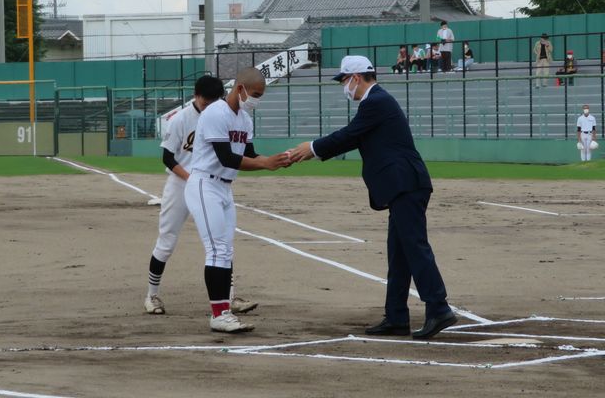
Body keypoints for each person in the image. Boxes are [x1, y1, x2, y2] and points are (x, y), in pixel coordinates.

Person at [289, 55, 457, 340]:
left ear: (356, 77)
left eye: (344, 80)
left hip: (406, 184)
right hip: (401, 186)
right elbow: (354, 137)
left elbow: (349, 135)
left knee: (414, 248)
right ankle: (396, 316)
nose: (344, 86)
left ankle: (438, 308)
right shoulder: (375, 103)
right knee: (399, 253)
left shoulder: (376, 101)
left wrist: (313, 147)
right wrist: (314, 150)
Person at [184, 67, 291, 333]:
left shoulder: (244, 119)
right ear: (240, 88)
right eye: (255, 94)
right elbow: (227, 158)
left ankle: (224, 311)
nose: (256, 99)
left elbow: (251, 154)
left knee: (226, 250)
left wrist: (276, 160)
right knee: (217, 250)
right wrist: (266, 164)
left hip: (223, 188)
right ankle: (219, 314)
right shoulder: (215, 113)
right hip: (204, 183)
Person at [144, 75, 258, 316]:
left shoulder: (224, 115)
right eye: (205, 102)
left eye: (213, 101)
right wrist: (191, 178)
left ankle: (228, 296)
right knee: (167, 241)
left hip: (207, 183)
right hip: (180, 183)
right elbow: (167, 157)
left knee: (222, 242)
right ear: (196, 96)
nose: (209, 106)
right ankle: (152, 295)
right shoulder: (181, 119)